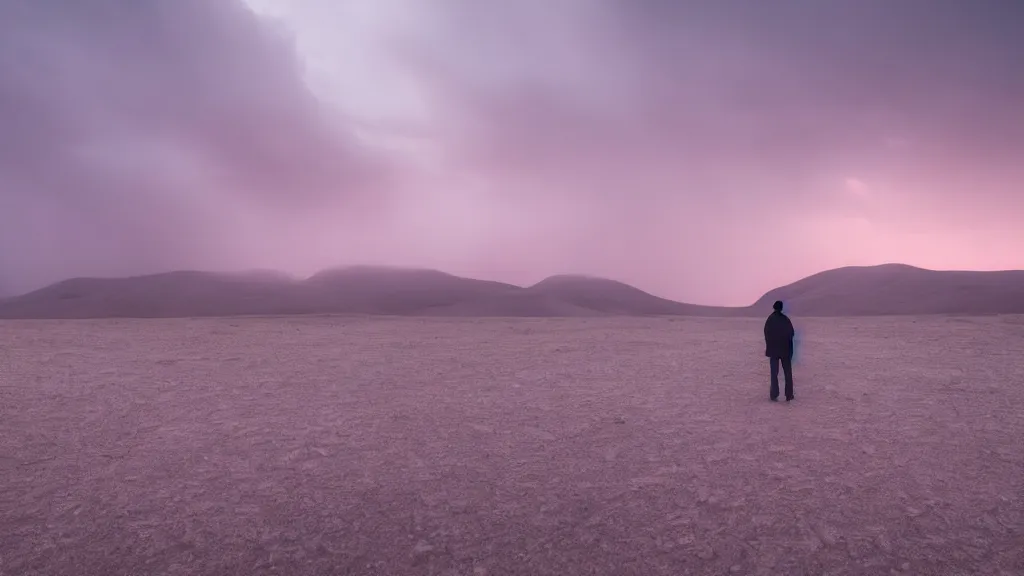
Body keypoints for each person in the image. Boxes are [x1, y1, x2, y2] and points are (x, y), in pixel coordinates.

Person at [764, 300, 795, 402]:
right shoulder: (785, 319)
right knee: (787, 373)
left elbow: (767, 334)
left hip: (774, 351)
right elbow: (791, 333)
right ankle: (789, 394)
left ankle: (774, 394)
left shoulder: (770, 320)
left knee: (774, 373)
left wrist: (770, 345)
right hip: (785, 350)